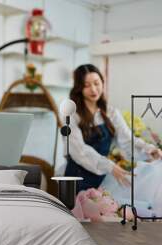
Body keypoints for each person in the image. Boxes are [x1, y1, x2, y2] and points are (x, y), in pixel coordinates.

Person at [64, 64, 162, 193]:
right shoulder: (72, 114)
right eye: (87, 85)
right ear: (79, 88)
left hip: (100, 178)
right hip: (75, 179)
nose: (93, 89)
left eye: (96, 83)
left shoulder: (111, 112)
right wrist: (110, 166)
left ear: (102, 83)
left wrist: (149, 149)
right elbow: (78, 150)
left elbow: (127, 139)